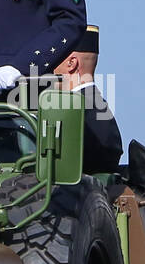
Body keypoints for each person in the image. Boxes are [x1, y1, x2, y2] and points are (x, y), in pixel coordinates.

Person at [52, 25, 122, 173]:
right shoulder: (96, 107)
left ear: (71, 63)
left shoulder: (75, 111)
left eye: (53, 57)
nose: (48, 65)